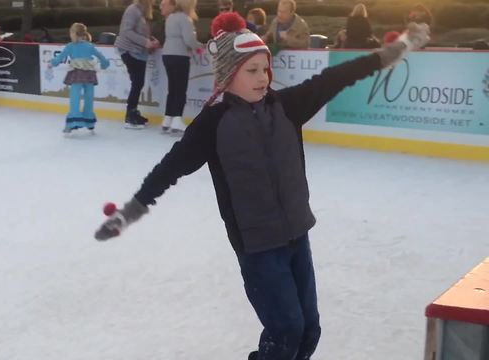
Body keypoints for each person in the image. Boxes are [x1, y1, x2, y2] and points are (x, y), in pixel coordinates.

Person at [94, 12, 430, 360]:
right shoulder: (213, 124)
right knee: (285, 331)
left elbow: (340, 76)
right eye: (251, 70)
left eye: (265, 69)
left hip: (297, 234)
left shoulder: (287, 106)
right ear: (227, 74)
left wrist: (400, 48)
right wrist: (127, 214)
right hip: (258, 248)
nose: (263, 77)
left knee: (309, 329)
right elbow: (168, 170)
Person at [48, 23, 110, 134]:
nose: (70, 35)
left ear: (75, 34)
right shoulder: (89, 46)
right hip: (89, 75)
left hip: (77, 74)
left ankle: (72, 123)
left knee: (75, 98)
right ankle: (89, 123)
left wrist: (52, 63)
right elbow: (101, 57)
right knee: (89, 98)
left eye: (71, 32)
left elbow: (60, 57)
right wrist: (104, 64)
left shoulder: (70, 46)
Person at [114, 0, 160, 129]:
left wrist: (150, 41)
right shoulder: (133, 9)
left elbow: (139, 32)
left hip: (138, 53)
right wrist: (146, 42)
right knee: (137, 82)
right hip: (129, 50)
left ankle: (133, 112)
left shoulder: (141, 11)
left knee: (138, 83)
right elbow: (126, 31)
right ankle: (130, 115)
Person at [160, 0, 203, 135]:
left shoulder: (170, 17)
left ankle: (168, 118)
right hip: (179, 55)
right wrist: (199, 46)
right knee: (180, 88)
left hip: (167, 54)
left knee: (172, 88)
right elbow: (189, 39)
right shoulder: (185, 19)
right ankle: (177, 119)